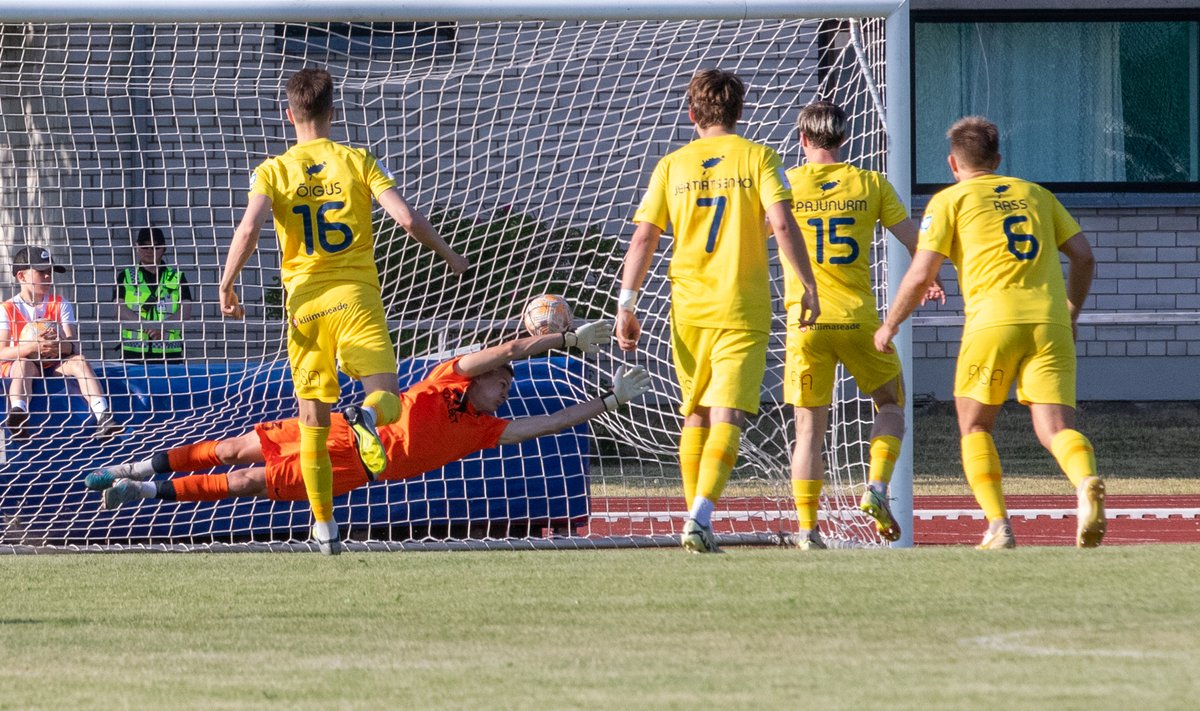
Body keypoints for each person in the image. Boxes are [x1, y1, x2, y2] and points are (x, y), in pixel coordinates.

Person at [85, 322, 649, 547]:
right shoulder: (444, 377)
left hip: (356, 465)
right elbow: (502, 351)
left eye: (507, 383)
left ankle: (146, 493)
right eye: (501, 381)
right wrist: (564, 340)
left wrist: (607, 401)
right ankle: (138, 468)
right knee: (235, 446)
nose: (505, 387)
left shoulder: (484, 430)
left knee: (247, 480)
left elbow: (548, 423)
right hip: (337, 426)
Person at [218, 68, 469, 554]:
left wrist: (227, 285)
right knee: (389, 402)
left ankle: (324, 528)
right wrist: (450, 256)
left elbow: (248, 229)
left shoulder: (272, 170)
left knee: (311, 420)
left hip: (305, 306)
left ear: (289, 114)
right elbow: (406, 217)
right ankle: (365, 417)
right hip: (356, 298)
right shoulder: (357, 160)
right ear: (333, 113)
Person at [874, 116, 1105, 549]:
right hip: (1049, 322)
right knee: (1055, 428)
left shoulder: (950, 200)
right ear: (998, 160)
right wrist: (1070, 313)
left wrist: (891, 323)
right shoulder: (1037, 195)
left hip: (992, 323)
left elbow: (923, 271)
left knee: (975, 426)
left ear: (952, 163)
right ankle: (1086, 479)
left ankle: (999, 525)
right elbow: (1085, 257)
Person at [616, 69, 820, 554]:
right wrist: (807, 284)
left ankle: (695, 520)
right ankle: (700, 517)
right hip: (740, 304)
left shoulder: (672, 164)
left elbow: (645, 236)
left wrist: (627, 302)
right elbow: (783, 225)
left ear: (692, 115)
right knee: (726, 413)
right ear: (740, 112)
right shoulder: (758, 157)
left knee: (695, 415)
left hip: (686, 306)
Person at [781, 101, 944, 549]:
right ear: (843, 139)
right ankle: (875, 485)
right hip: (859, 322)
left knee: (808, 431)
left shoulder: (787, 185)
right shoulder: (870, 183)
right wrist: (930, 280)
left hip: (806, 322)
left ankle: (807, 530)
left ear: (803, 140)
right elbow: (917, 242)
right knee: (891, 405)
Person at [0, 245, 122, 440]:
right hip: (21, 364)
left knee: (80, 361)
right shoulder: (7, 309)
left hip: (54, 363)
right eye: (42, 272)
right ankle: (18, 414)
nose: (48, 277)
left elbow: (73, 345)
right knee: (24, 364)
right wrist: (31, 348)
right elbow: (2, 352)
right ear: (21, 276)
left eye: (50, 272)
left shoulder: (60, 303)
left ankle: (104, 417)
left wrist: (59, 346)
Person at [115, 226, 195, 361]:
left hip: (169, 353)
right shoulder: (126, 276)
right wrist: (146, 325)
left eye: (155, 247)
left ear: (164, 249)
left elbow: (185, 310)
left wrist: (163, 327)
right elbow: (119, 309)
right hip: (133, 353)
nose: (149, 251)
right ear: (137, 247)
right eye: (145, 247)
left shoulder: (176, 277)